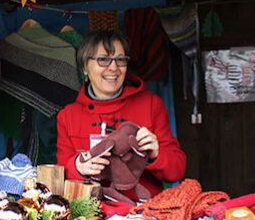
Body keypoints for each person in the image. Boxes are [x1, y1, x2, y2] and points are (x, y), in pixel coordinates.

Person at [56, 30, 186, 201]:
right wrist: (77, 167)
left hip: (145, 214)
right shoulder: (68, 116)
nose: (113, 67)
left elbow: (177, 170)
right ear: (84, 68)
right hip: (92, 215)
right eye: (103, 59)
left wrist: (157, 153)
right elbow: (60, 177)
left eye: (120, 59)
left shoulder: (151, 104)